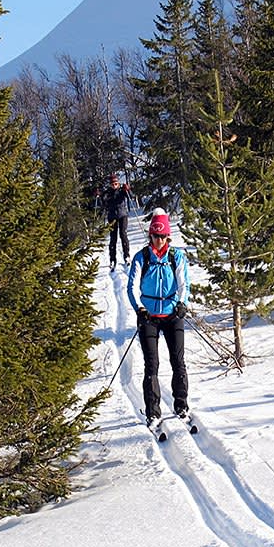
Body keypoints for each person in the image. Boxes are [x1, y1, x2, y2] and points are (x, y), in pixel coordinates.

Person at [126, 209, 191, 425]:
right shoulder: (141, 258)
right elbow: (132, 287)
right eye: (156, 236)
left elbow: (184, 284)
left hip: (172, 315)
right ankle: (153, 411)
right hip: (149, 317)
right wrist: (140, 309)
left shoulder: (177, 257)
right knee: (151, 365)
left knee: (178, 361)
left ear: (168, 237)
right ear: (150, 236)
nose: (159, 240)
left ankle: (181, 405)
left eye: (163, 237)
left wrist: (182, 304)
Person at [102, 173, 131, 269]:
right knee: (113, 238)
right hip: (112, 217)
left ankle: (127, 256)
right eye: (112, 184)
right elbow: (104, 202)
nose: (114, 185)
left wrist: (127, 189)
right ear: (110, 184)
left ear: (118, 183)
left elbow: (131, 196)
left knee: (123, 235)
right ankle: (112, 259)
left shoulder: (122, 191)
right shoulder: (107, 192)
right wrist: (99, 195)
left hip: (123, 216)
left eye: (116, 183)